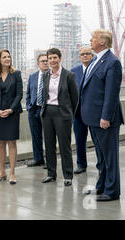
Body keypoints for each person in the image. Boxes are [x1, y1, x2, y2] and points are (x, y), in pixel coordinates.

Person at [79, 30, 124, 201]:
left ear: (103, 43)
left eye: (94, 38)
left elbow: (111, 93)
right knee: (101, 157)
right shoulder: (95, 60)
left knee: (110, 157)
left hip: (104, 120)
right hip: (92, 118)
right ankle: (101, 186)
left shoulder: (112, 63)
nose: (90, 40)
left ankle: (112, 191)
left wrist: (106, 117)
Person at [41, 48, 78, 186]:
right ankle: (51, 174)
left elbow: (75, 98)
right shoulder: (45, 75)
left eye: (54, 58)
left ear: (60, 58)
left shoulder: (69, 75)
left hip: (62, 114)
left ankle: (68, 175)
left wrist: (70, 114)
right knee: (49, 145)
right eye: (50, 58)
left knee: (64, 146)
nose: (52, 61)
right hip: (47, 113)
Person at [0, 49, 23, 185]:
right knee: (1, 143)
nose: (7, 59)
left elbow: (19, 94)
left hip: (12, 113)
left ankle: (12, 173)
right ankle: (2, 172)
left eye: (9, 56)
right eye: (4, 57)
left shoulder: (16, 74)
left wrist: (11, 109)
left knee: (12, 142)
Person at [71, 46, 95, 174]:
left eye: (87, 54)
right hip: (78, 113)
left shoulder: (96, 68)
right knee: (80, 141)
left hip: (93, 112)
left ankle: (101, 165)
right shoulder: (73, 72)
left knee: (97, 141)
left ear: (92, 55)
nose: (85, 56)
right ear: (79, 57)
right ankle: (81, 164)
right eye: (82, 54)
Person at [26, 53, 49, 168]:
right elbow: (28, 93)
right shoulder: (33, 76)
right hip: (34, 110)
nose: (45, 63)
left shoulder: (53, 75)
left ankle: (50, 160)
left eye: (46, 61)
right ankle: (38, 159)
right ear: (38, 63)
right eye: (42, 61)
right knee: (36, 136)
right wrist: (29, 106)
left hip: (48, 111)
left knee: (49, 137)